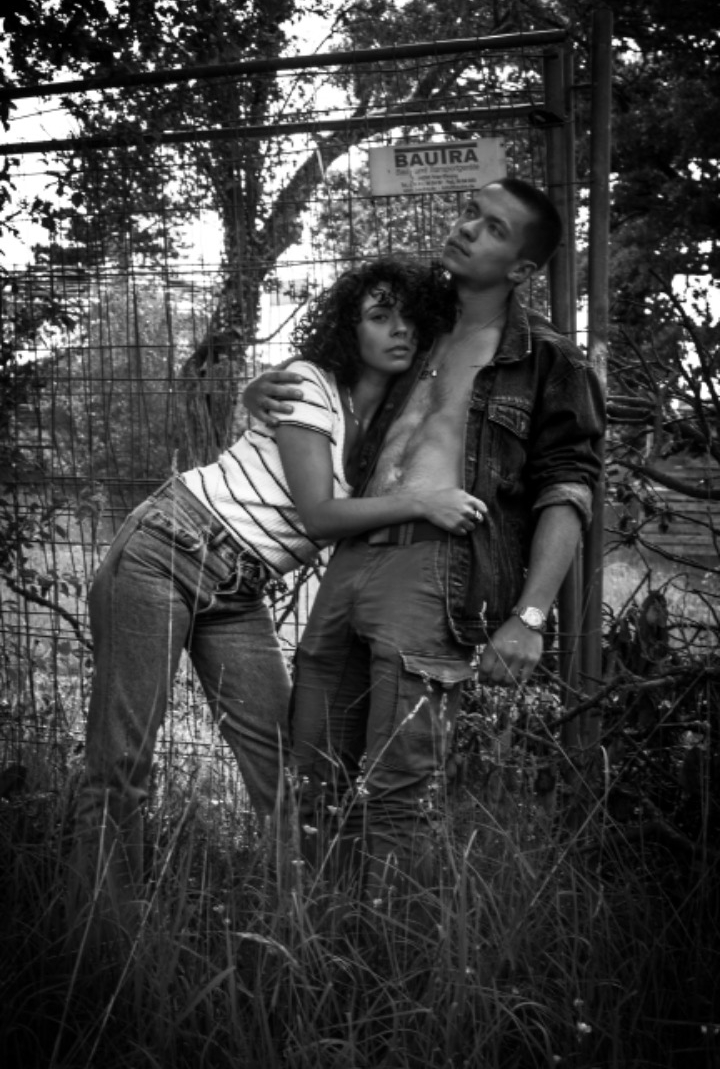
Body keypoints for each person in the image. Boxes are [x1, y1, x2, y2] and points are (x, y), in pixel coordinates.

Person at [69, 257, 486, 938]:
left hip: (237, 589)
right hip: (165, 551)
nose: (399, 330)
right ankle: (104, 933)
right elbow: (320, 515)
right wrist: (423, 503)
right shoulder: (309, 384)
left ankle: (311, 931)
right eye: (380, 316)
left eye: (410, 319)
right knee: (122, 761)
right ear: (349, 327)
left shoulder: (386, 424)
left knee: (287, 770)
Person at [243, 178, 606, 898]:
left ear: (522, 268)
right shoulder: (412, 326)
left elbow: (568, 490)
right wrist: (260, 390)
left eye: (493, 228)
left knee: (397, 794)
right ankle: (314, 940)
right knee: (311, 780)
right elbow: (324, 393)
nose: (468, 228)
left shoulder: (549, 361)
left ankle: (393, 956)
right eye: (471, 212)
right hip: (352, 558)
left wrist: (530, 616)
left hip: (436, 571)